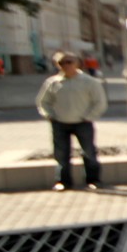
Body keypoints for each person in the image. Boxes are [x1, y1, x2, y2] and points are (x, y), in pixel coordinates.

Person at [37, 51, 108, 191]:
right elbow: (43, 102)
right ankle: (63, 181)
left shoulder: (89, 82)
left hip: (83, 123)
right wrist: (49, 115)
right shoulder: (52, 83)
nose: (66, 65)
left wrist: (88, 117)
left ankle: (93, 180)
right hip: (60, 123)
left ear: (77, 63)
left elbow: (99, 102)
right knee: (61, 154)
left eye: (69, 62)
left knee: (89, 152)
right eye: (62, 62)